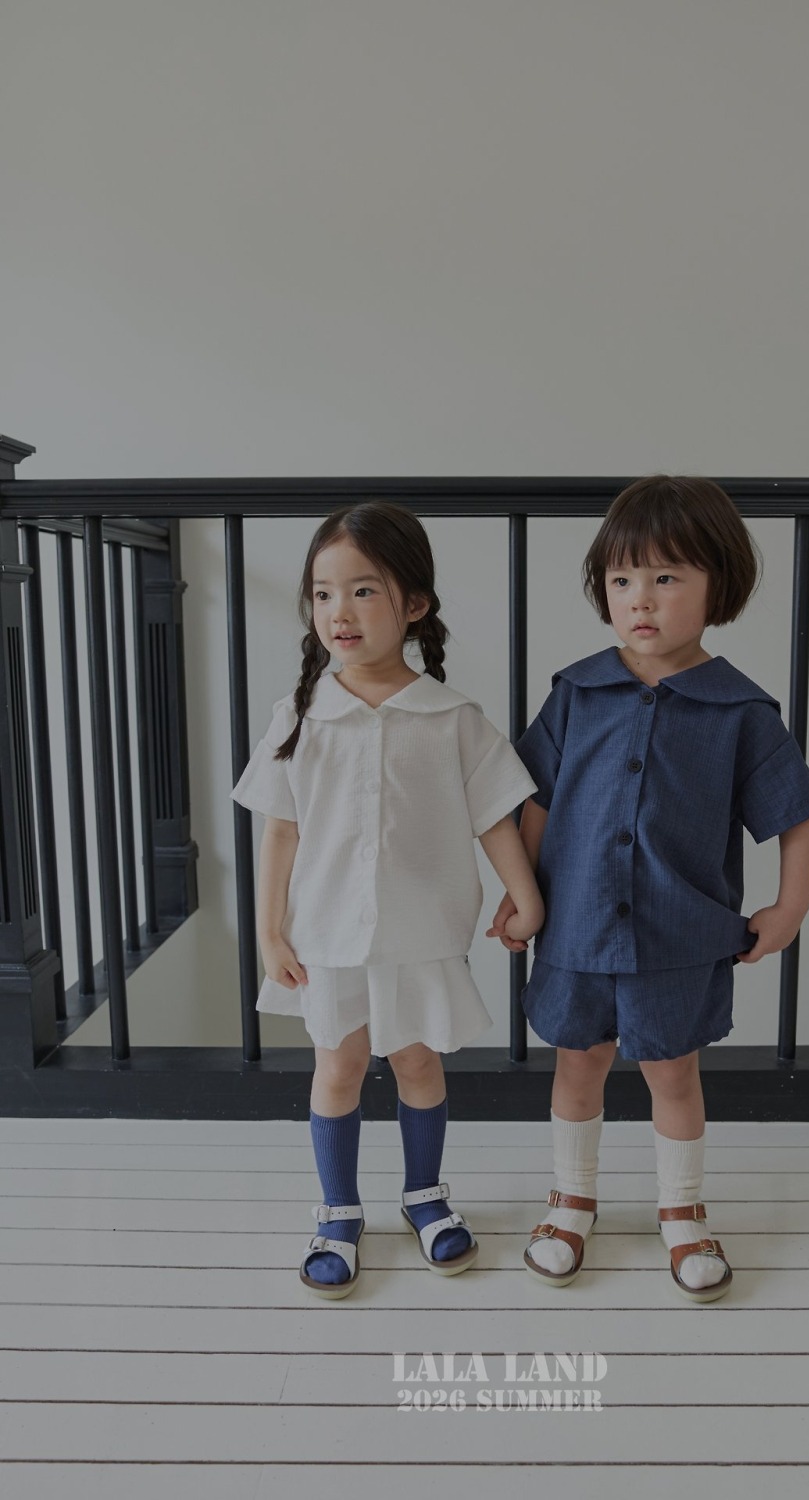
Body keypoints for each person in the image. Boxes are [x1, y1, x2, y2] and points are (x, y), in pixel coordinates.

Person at [487, 475, 809, 1302]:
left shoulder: (741, 711)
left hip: (679, 934)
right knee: (578, 1063)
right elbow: (536, 800)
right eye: (622, 579)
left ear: (718, 585)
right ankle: (571, 1202)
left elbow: (797, 812)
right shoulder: (576, 692)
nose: (640, 599)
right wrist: (523, 893)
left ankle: (683, 1210)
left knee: (673, 1072)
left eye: (666, 577)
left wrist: (790, 906)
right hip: (575, 929)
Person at [233, 502, 543, 1298]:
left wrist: (525, 895)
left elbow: (493, 816)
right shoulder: (299, 718)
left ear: (414, 604)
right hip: (327, 934)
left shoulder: (451, 718)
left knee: (417, 1059)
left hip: (420, 931)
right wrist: (270, 933)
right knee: (337, 1064)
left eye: (363, 590)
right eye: (323, 593)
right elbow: (279, 833)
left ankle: (424, 1196)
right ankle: (338, 1210)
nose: (339, 611)